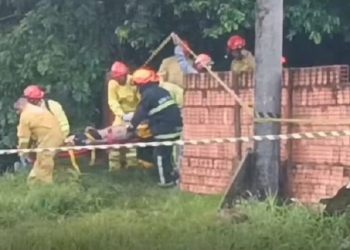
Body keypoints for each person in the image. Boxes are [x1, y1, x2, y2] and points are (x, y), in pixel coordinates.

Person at [127, 68, 183, 187]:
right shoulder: (162, 91)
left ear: (141, 85)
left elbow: (140, 113)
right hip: (176, 127)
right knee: (167, 153)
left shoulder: (148, 94)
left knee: (160, 156)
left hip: (164, 129)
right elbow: (158, 111)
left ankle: (165, 182)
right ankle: (172, 176)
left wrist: (131, 128)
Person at [14, 97, 64, 184]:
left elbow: (23, 138)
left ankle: (45, 185)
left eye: (17, 110)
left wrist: (22, 151)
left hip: (49, 139)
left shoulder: (25, 115)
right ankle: (33, 181)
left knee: (44, 162)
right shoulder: (37, 109)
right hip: (57, 135)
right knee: (41, 160)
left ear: (21, 107)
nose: (17, 113)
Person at [107, 61, 140, 170]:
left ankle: (132, 167)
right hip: (121, 115)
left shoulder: (133, 81)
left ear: (125, 75)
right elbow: (112, 101)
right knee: (115, 139)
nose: (118, 80)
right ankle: (114, 167)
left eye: (119, 78)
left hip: (135, 115)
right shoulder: (112, 84)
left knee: (133, 141)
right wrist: (122, 115)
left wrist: (137, 114)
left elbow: (140, 98)